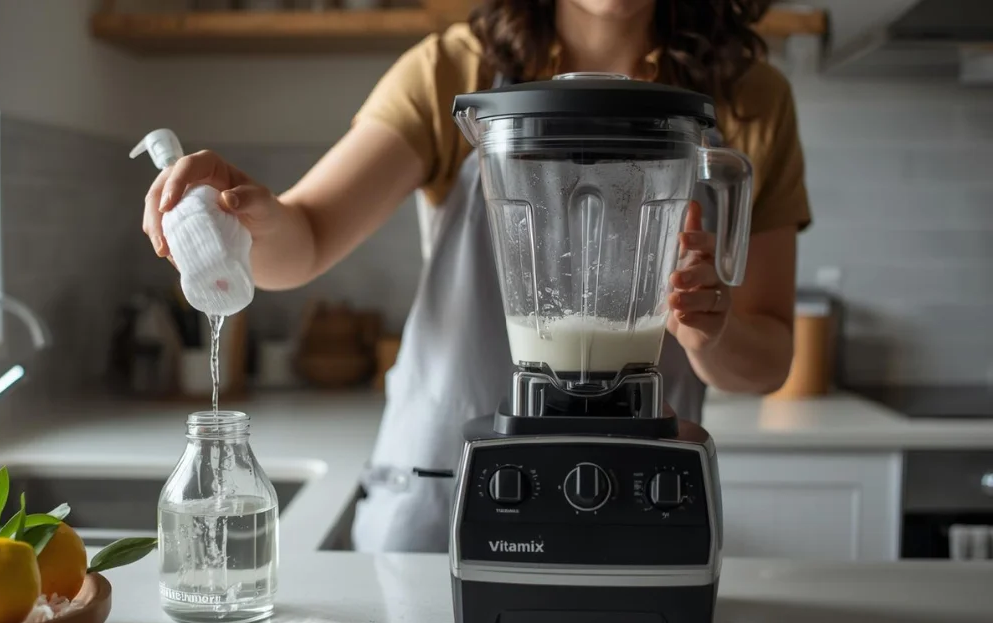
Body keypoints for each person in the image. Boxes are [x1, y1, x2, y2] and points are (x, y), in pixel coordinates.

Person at [141, 0, 811, 553]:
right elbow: (306, 237)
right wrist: (240, 211)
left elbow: (767, 361)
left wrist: (705, 335)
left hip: (641, 505)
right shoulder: (450, 70)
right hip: (443, 498)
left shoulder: (751, 102)